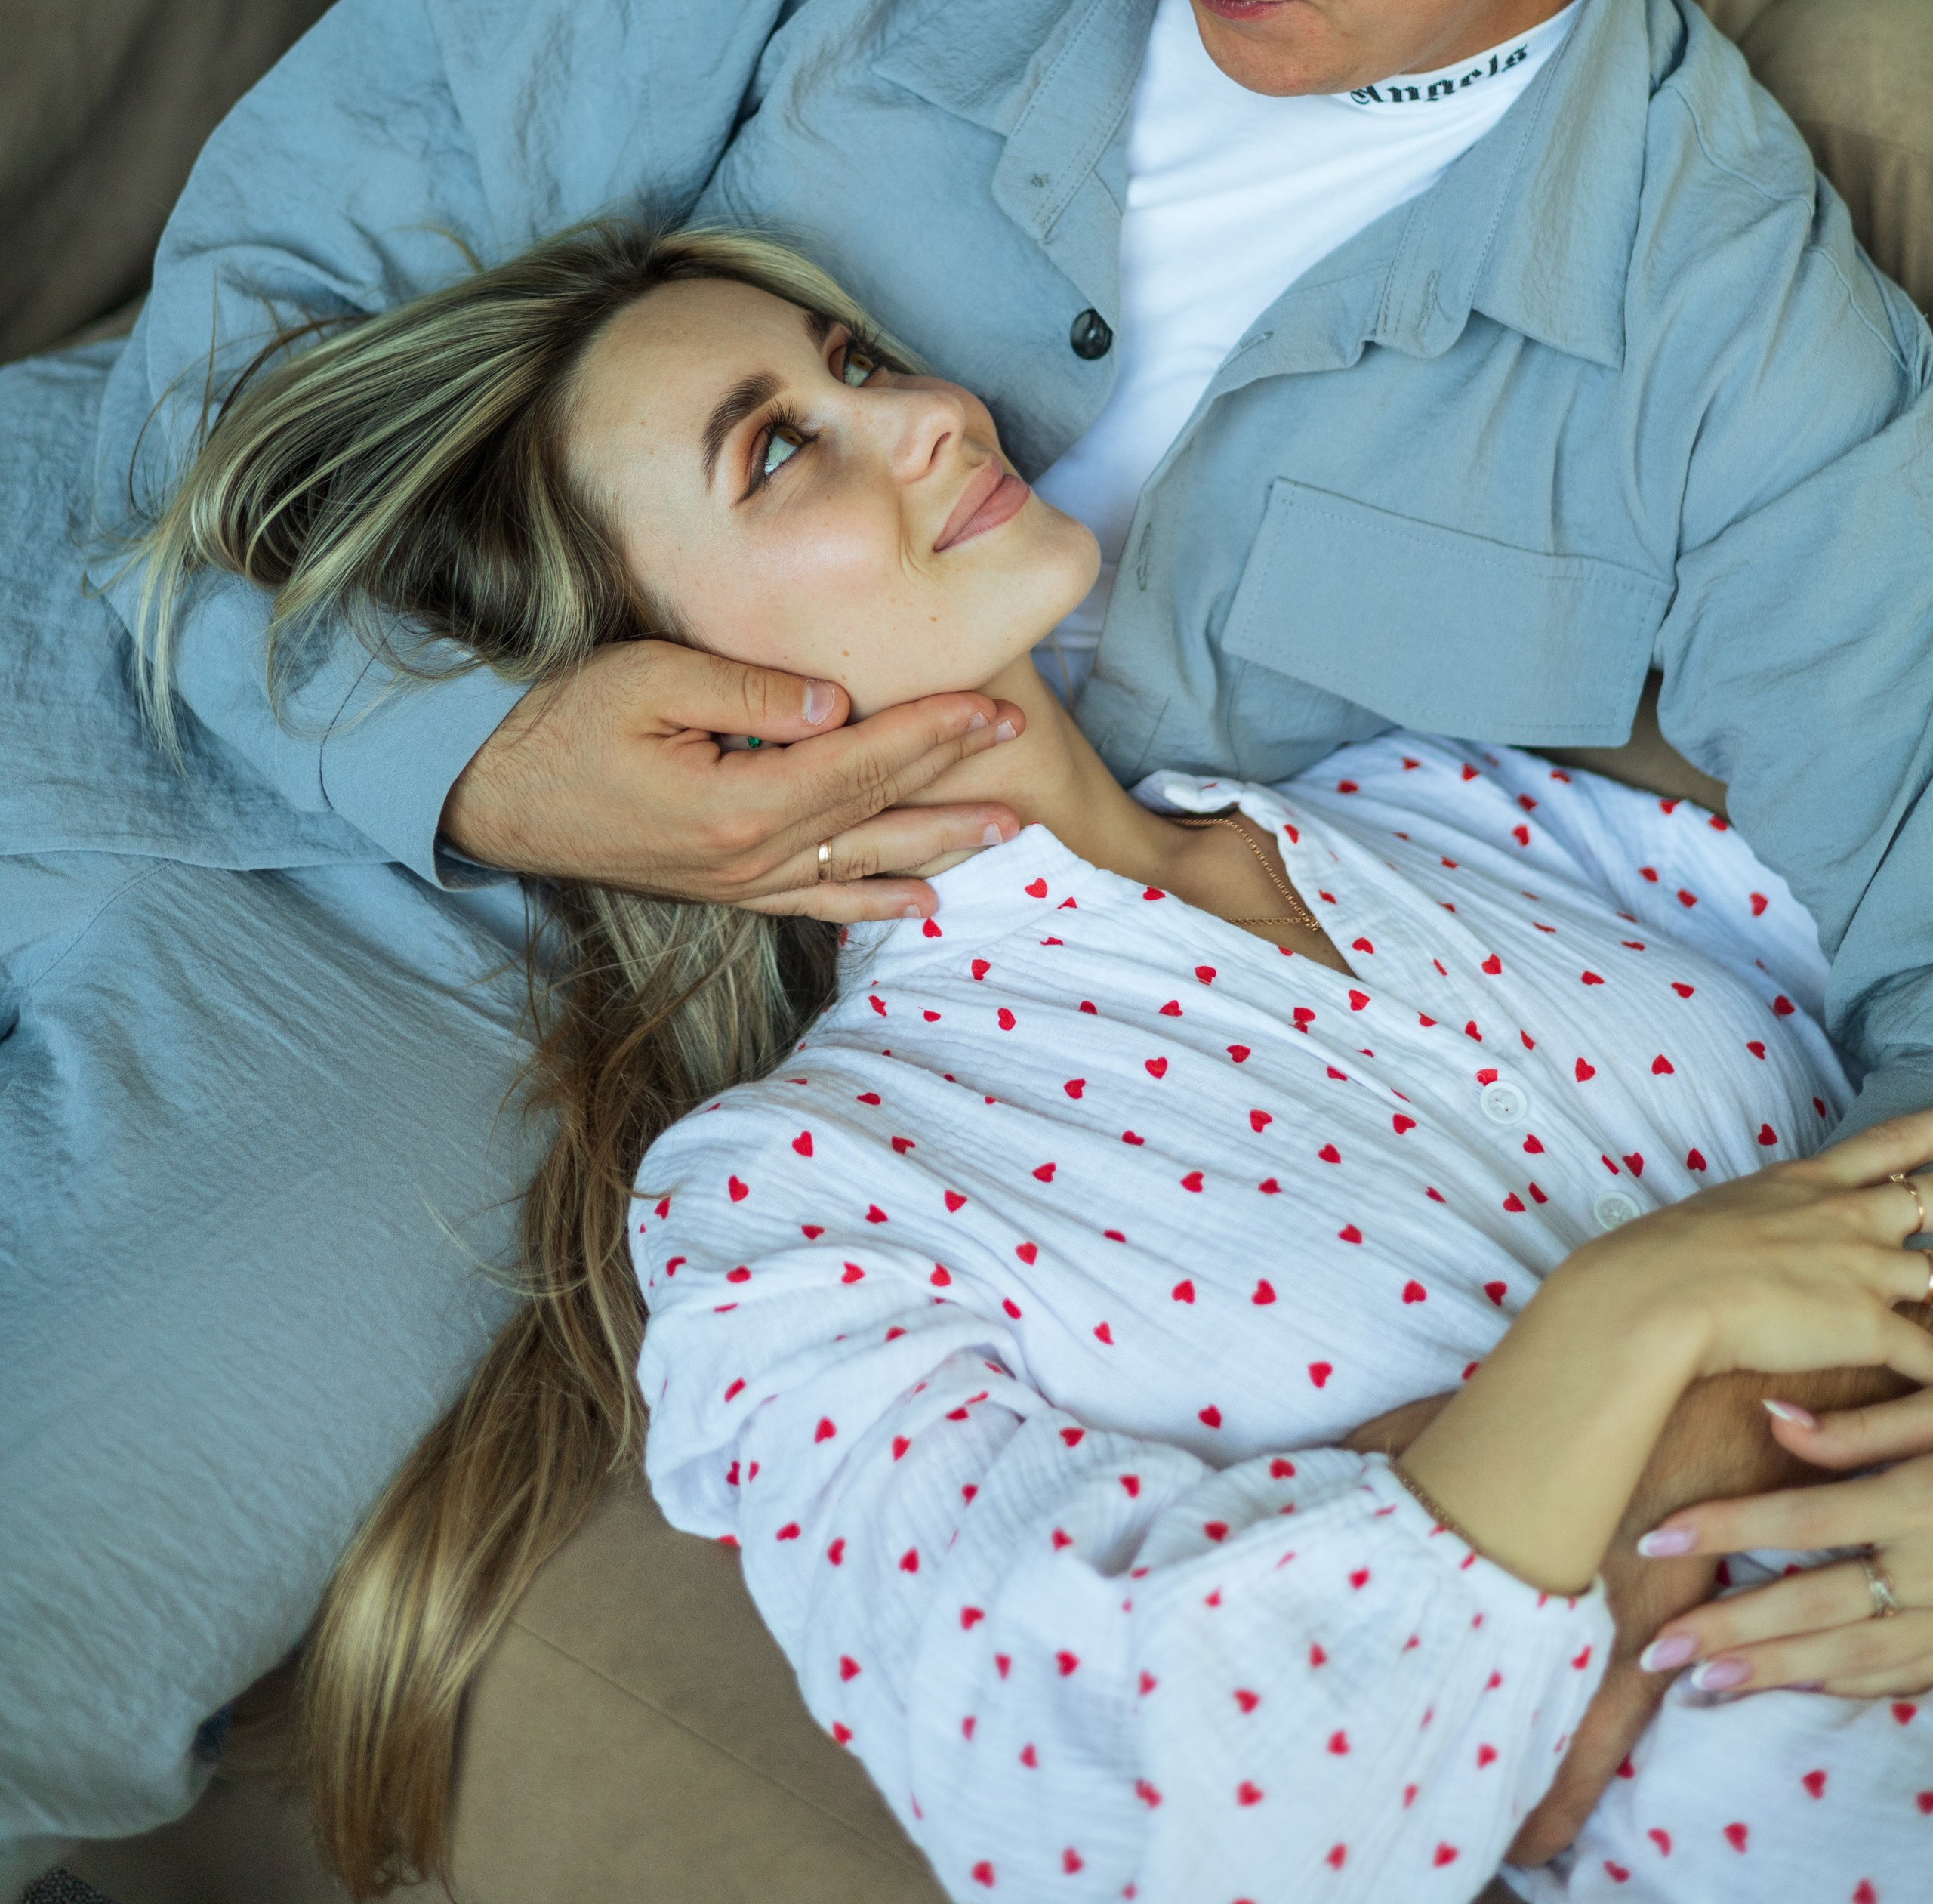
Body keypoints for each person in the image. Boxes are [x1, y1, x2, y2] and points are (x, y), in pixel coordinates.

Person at [6, 0, 1933, 1876]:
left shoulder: (1726, 351)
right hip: (159, 558)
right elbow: (286, 265)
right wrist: (470, 749)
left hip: (475, 1025)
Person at [125, 216, 1933, 1904]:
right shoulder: (793, 1194)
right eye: (776, 450)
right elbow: (1154, 1796)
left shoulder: (1448, 801)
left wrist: (1604, 1455)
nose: (925, 411)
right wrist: (1637, 1328)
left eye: (854, 361)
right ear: (651, 697)